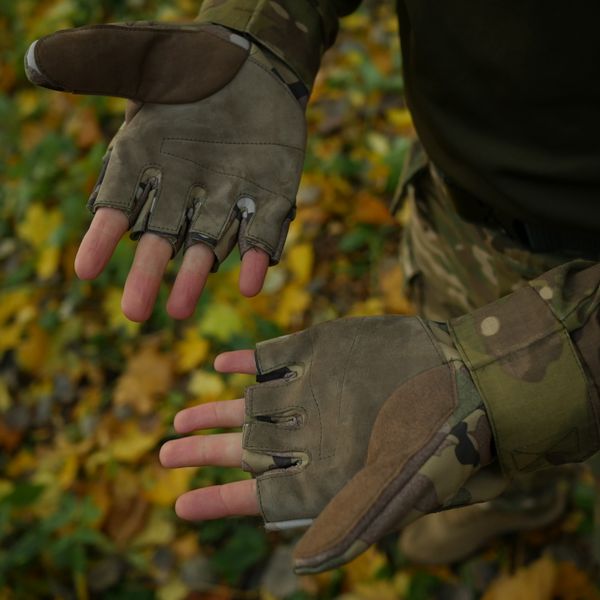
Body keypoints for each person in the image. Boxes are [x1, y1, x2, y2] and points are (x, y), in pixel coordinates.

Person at [25, 0, 600, 574]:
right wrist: (264, 31)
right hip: (460, 203)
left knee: (496, 413)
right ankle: (524, 493)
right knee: (451, 394)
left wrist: (520, 375)